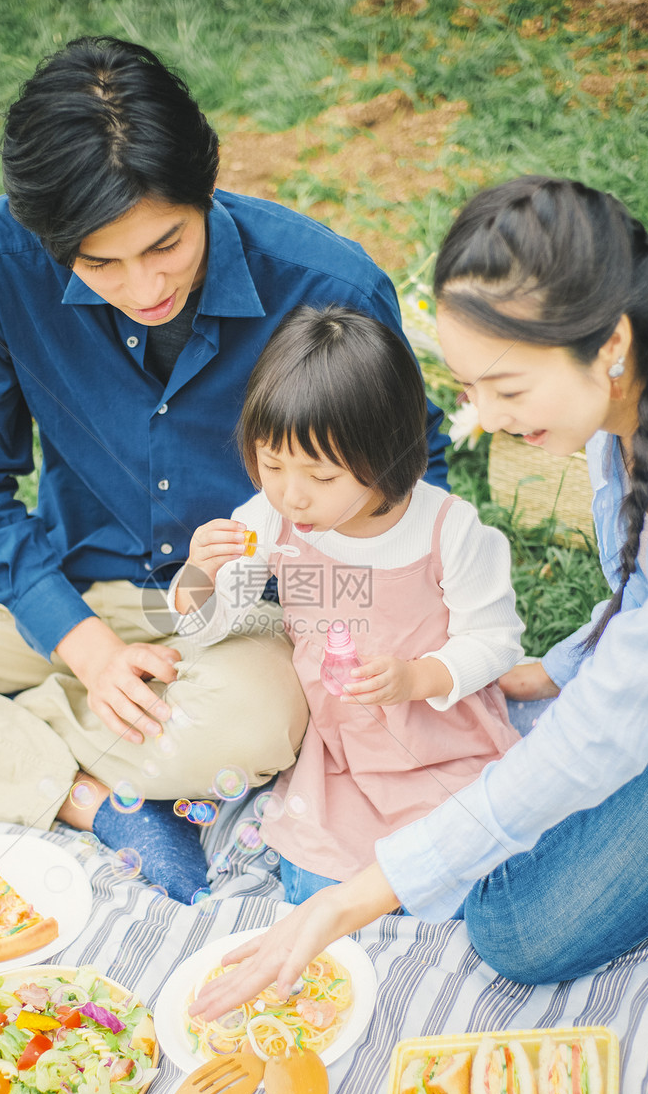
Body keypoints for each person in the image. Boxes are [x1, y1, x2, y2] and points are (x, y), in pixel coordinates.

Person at [0, 37, 449, 903]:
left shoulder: (325, 286)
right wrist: (84, 647)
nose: (142, 285)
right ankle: (90, 797)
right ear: (49, 240)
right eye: (96, 263)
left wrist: (330, 605)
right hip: (72, 581)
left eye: (166, 244)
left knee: (259, 729)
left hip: (252, 617)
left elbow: (418, 480)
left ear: (204, 190)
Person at [189, 173, 648, 1005]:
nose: (486, 421)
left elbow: (607, 730)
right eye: (469, 389)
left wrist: (366, 891)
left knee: (514, 927)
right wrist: (565, 666)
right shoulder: (621, 419)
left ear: (609, 344)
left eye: (509, 387)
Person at [172, 305, 523, 903]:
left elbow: (495, 639)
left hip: (438, 735)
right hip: (340, 752)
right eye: (271, 463)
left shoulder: (448, 531)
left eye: (320, 476)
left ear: (384, 460)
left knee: (473, 872)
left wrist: (418, 677)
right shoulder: (266, 522)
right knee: (313, 885)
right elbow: (206, 629)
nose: (290, 493)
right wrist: (199, 574)